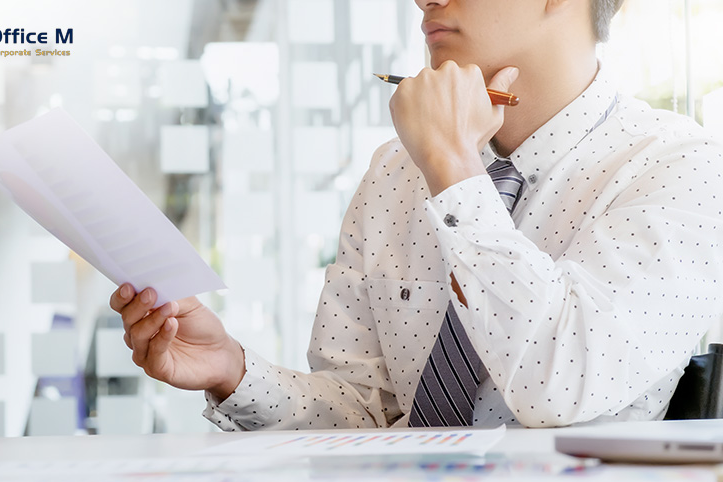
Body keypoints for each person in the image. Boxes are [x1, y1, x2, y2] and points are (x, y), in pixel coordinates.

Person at [110, 0, 723, 430]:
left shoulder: (679, 169)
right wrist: (234, 373)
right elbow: (369, 413)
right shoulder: (396, 171)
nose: (422, 0)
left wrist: (454, 168)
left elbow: (556, 385)